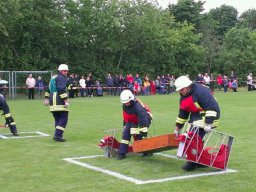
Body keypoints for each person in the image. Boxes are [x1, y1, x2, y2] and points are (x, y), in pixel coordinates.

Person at [174, 76, 220, 171]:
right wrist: (178, 127)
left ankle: (192, 162)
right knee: (191, 136)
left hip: (210, 116)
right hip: (196, 117)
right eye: (179, 90)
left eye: (181, 89)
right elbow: (183, 113)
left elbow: (211, 107)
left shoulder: (201, 91)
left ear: (188, 86)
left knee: (194, 137)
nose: (180, 92)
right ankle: (200, 159)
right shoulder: (183, 97)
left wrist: (208, 123)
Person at [117, 89, 152, 160]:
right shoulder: (124, 106)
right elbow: (126, 117)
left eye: (127, 102)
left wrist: (144, 135)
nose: (126, 104)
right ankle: (121, 154)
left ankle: (146, 151)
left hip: (144, 120)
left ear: (131, 99)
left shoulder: (138, 107)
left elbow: (143, 121)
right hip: (132, 121)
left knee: (139, 136)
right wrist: (124, 126)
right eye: (124, 102)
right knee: (125, 135)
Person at [44, 64, 69, 142]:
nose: (66, 72)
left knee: (57, 119)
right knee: (64, 117)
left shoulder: (53, 77)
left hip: (52, 99)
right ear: (60, 71)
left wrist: (47, 98)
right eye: (64, 71)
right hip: (58, 99)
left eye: (66, 71)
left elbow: (48, 89)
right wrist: (65, 100)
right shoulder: (61, 78)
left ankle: (57, 134)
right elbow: (61, 89)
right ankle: (58, 135)